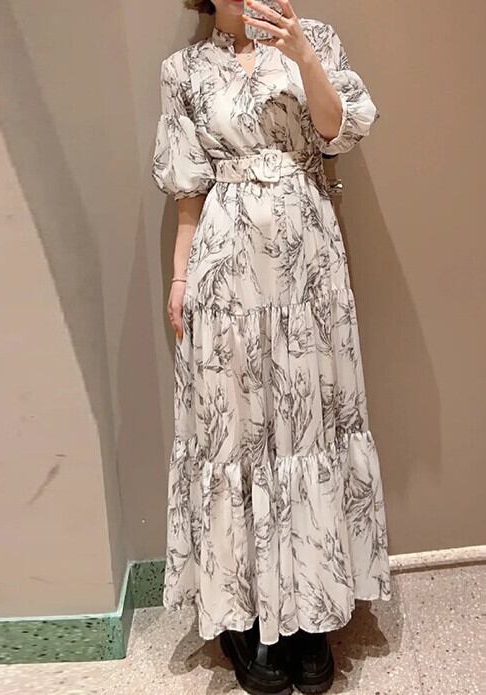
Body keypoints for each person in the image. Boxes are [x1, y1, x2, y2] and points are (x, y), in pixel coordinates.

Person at [151, 0, 391, 692]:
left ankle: (312, 612)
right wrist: (179, 277)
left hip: (306, 259)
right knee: (238, 432)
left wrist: (302, 54)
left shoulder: (314, 40)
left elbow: (339, 133)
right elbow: (188, 190)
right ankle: (249, 611)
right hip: (225, 263)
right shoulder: (183, 70)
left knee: (308, 426)